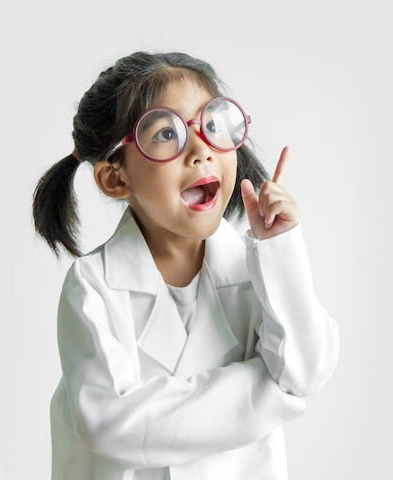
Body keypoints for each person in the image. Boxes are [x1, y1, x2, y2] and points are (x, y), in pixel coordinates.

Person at [32, 51, 339, 480]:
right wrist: (270, 394)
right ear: (116, 178)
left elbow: (305, 368)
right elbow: (110, 425)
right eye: (165, 134)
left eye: (213, 125)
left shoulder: (259, 270)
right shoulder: (93, 287)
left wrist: (280, 249)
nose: (201, 151)